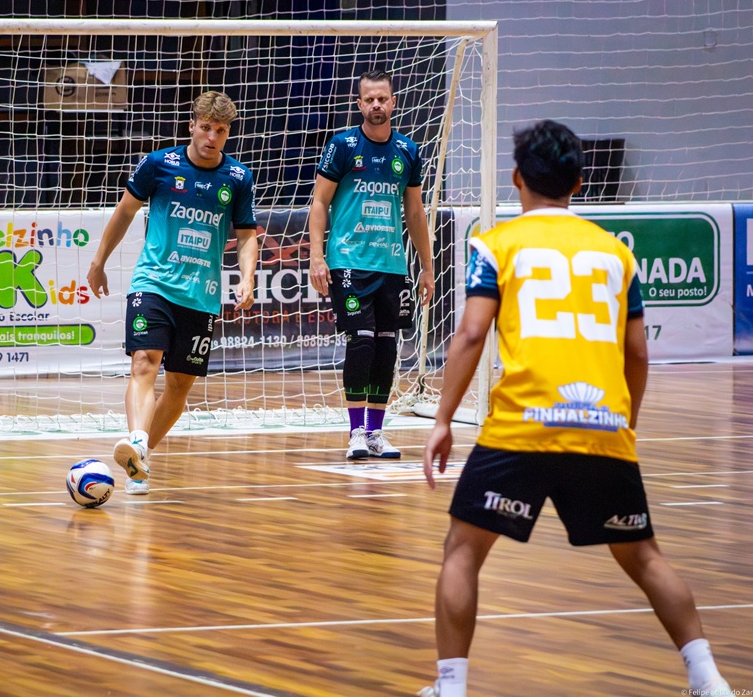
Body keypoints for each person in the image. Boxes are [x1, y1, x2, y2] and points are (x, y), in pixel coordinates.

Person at [417, 120, 730, 697]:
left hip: (523, 427)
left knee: (462, 551)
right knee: (644, 557)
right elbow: (638, 352)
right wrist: (624, 423)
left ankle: (451, 687)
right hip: (603, 427)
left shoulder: (496, 245)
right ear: (580, 183)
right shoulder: (616, 254)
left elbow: (471, 334)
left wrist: (442, 420)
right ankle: (708, 679)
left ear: (516, 178)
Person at [87, 91, 258, 496]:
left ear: (227, 133)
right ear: (191, 125)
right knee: (144, 363)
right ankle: (137, 439)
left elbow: (247, 235)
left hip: (201, 295)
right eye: (206, 127)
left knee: (179, 387)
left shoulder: (238, 178)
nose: (212, 137)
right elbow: (125, 211)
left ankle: (139, 459)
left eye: (220, 131)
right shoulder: (159, 164)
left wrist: (247, 278)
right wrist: (98, 261)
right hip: (154, 283)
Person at [308, 69, 435, 461]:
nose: (376, 105)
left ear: (393, 102)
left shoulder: (408, 150)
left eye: (383, 98)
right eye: (369, 99)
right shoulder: (343, 145)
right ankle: (356, 433)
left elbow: (415, 212)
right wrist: (316, 257)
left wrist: (427, 267)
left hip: (392, 265)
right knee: (361, 342)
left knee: (386, 346)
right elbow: (319, 202)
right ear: (359, 103)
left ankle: (377, 433)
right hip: (349, 261)